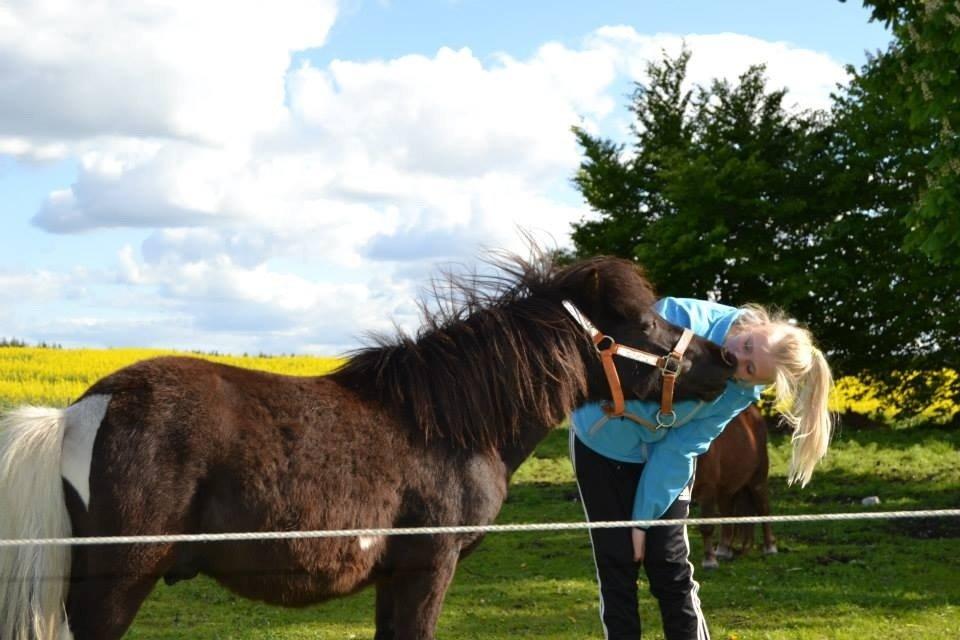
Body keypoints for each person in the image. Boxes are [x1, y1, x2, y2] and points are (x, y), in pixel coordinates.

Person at [569, 296, 833, 640]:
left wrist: (643, 522)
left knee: (669, 563)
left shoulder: (738, 393)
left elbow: (678, 450)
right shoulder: (682, 316)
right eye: (748, 344)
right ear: (754, 324)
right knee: (616, 564)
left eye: (749, 369)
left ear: (755, 384)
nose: (738, 358)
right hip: (600, 442)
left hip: (664, 457)